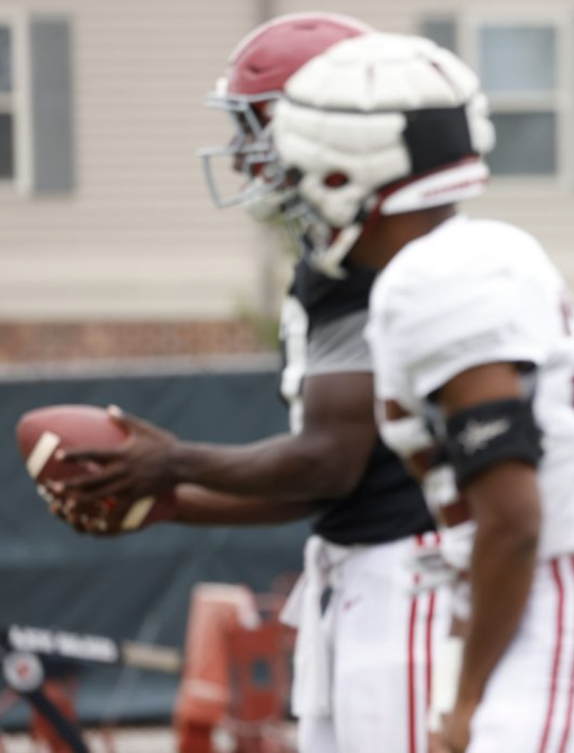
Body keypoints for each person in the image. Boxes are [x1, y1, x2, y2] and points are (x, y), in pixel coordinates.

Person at [44, 14, 450, 753]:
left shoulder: (379, 255)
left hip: (415, 575)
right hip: (363, 565)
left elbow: (328, 460)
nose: (238, 155)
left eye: (253, 126)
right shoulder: (342, 251)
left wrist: (171, 462)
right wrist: (166, 502)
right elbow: (332, 481)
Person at [268, 32, 574, 753]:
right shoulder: (452, 261)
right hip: (546, 589)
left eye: (305, 171)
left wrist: (465, 697)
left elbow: (513, 519)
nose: (296, 192)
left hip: (561, 592)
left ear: (352, 173)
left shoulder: (439, 276)